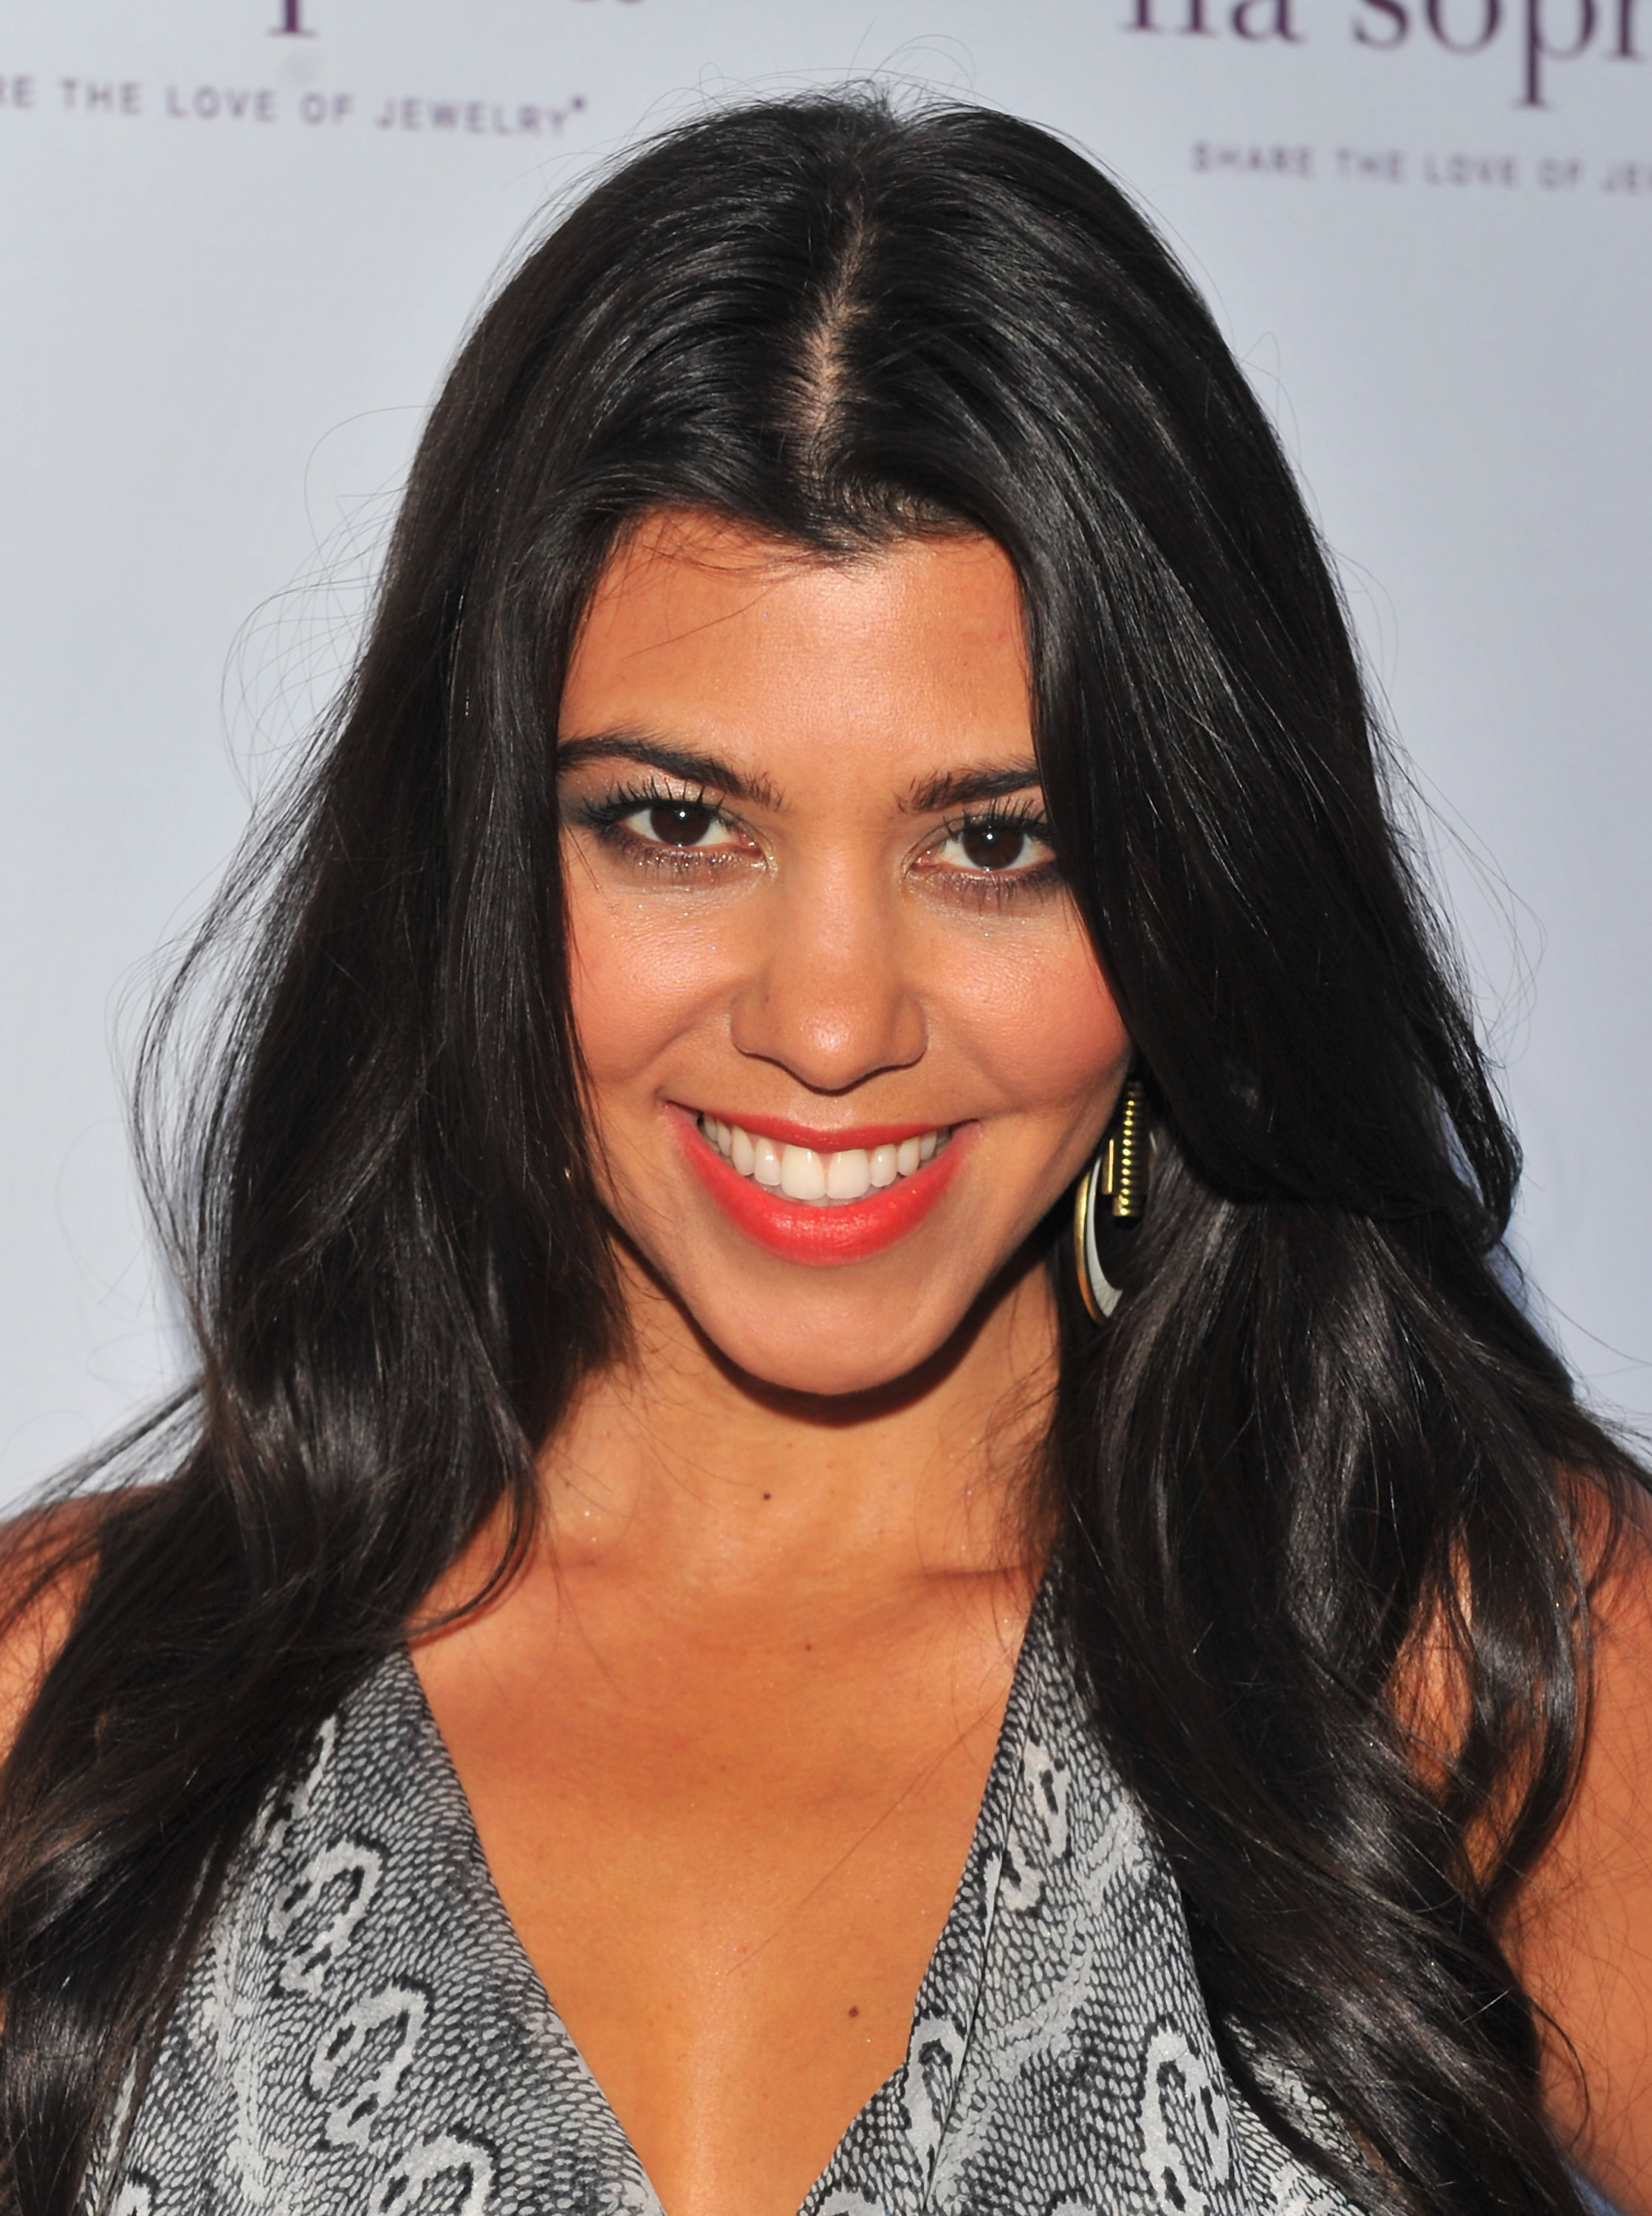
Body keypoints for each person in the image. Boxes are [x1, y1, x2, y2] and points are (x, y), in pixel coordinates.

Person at [0, 87, 1646, 2216]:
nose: (834, 1023)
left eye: (998, 842)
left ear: (1191, 889)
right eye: (680, 824)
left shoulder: (1478, 1671)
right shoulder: (75, 1709)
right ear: (483, 858)